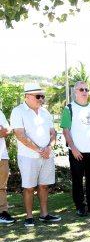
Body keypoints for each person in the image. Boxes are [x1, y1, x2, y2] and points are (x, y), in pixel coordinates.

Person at [10, 82, 61, 227]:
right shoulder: (18, 111)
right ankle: (29, 216)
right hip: (28, 156)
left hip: (47, 155)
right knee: (29, 187)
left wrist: (49, 147)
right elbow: (20, 135)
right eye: (38, 96)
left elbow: (53, 132)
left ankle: (44, 215)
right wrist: (40, 150)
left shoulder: (46, 112)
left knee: (44, 186)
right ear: (27, 96)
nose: (41, 99)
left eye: (42, 96)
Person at [61, 81, 90, 216]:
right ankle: (80, 206)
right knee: (77, 180)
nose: (84, 92)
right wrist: (73, 148)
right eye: (81, 90)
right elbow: (66, 130)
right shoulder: (69, 109)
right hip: (77, 152)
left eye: (86, 89)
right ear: (75, 92)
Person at [0, 109, 16, 224]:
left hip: (2, 155)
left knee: (2, 187)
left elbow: (8, 130)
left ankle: (2, 212)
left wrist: (4, 130)